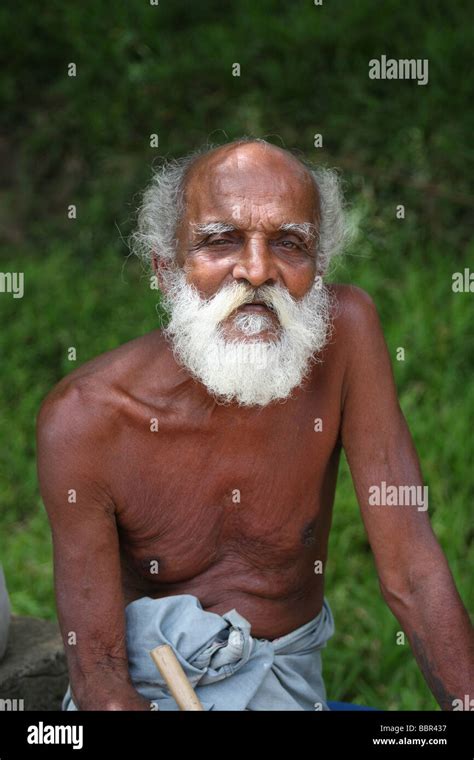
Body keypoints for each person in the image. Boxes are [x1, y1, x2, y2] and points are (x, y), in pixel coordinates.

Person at [37, 137, 473, 711]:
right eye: (221, 241)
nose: (257, 270)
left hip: (291, 692)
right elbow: (100, 681)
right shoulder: (84, 420)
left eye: (289, 244)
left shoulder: (346, 336)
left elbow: (413, 571)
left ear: (318, 271)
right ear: (166, 270)